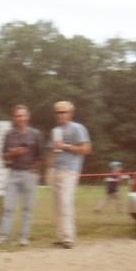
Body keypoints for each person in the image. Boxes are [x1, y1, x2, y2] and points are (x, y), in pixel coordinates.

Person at [0, 105, 45, 246]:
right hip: (13, 173)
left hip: (29, 174)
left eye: (23, 115)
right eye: (18, 116)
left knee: (27, 208)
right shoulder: (9, 134)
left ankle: (24, 236)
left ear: (28, 116)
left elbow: (41, 156)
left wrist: (34, 169)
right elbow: (3, 156)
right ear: (14, 118)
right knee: (8, 207)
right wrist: (13, 153)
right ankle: (4, 236)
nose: (21, 118)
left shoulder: (36, 134)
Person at [48, 101, 91, 248]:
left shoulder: (78, 128)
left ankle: (68, 238)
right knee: (57, 204)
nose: (61, 115)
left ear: (70, 113)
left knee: (66, 202)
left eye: (64, 112)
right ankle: (60, 236)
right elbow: (52, 151)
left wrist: (65, 146)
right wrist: (49, 166)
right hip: (56, 170)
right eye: (58, 112)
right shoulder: (55, 130)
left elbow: (86, 149)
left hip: (70, 169)